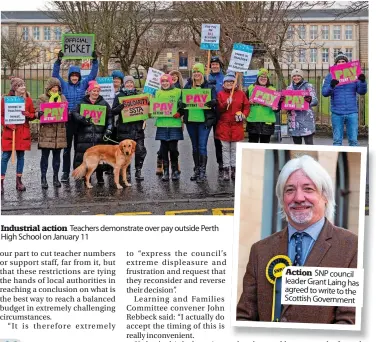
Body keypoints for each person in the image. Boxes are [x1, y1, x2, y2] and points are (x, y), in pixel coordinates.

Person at [237, 155, 357, 324]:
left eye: (308, 189)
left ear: (325, 196)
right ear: (282, 199)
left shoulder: (352, 247)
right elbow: (244, 317)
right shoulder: (259, 250)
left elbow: (349, 321)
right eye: (290, 190)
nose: (298, 198)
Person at [52, 49, 99, 182]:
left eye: (76, 75)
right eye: (72, 75)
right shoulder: (64, 86)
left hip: (80, 120)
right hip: (67, 120)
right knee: (66, 149)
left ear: (79, 77)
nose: (74, 77)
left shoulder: (83, 85)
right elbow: (55, 75)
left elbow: (92, 75)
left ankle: (79, 171)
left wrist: (94, 60)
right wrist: (58, 61)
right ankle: (65, 173)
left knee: (80, 149)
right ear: (69, 77)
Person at [71, 81, 113, 185]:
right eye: (94, 90)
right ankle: (84, 176)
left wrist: (109, 129)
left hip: (99, 135)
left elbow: (110, 118)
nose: (95, 93)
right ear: (89, 91)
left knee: (100, 157)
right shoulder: (82, 103)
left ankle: (100, 176)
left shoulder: (104, 103)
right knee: (83, 156)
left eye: (97, 91)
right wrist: (83, 119)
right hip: (84, 135)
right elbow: (74, 113)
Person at [322, 52, 367, 146]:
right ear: (335, 63)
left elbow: (361, 91)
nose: (341, 63)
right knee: (337, 141)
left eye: (343, 61)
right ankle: (338, 160)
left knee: (353, 141)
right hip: (337, 113)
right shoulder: (330, 76)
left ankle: (354, 160)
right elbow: (325, 93)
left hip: (352, 112)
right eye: (339, 61)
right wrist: (331, 85)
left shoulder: (353, 74)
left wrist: (362, 82)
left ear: (346, 63)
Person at [1, 77, 36, 194]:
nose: (24, 87)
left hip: (22, 132)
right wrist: (8, 124)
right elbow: (1, 115)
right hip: (10, 132)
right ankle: (1, 182)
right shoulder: (6, 100)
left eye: (24, 85)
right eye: (21, 85)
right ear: (15, 88)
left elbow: (33, 115)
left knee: (21, 157)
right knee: (5, 157)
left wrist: (27, 114)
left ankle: (19, 181)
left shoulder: (28, 100)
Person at [183, 63, 216, 183]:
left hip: (204, 121)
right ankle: (197, 169)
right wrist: (181, 104)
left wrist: (213, 102)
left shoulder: (209, 87)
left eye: (199, 72)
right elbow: (182, 102)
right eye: (195, 72)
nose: (196, 74)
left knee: (202, 146)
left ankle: (203, 171)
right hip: (191, 120)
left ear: (202, 74)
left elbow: (215, 100)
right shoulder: (187, 87)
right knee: (195, 146)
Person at [111, 76, 147, 182]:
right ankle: (126, 172)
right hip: (124, 129)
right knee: (125, 153)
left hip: (137, 128)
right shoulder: (119, 96)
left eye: (131, 82)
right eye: (127, 83)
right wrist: (119, 108)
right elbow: (113, 111)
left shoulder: (139, 96)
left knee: (140, 151)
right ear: (124, 84)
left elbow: (146, 110)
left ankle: (138, 170)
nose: (129, 84)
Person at [216, 73, 250, 181]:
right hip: (224, 125)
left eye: (231, 82)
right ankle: (226, 169)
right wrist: (226, 103)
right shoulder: (220, 94)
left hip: (237, 125)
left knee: (235, 149)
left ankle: (234, 169)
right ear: (224, 83)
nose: (229, 83)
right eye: (227, 82)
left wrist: (244, 114)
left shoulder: (241, 94)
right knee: (225, 149)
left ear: (234, 83)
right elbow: (219, 109)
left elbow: (246, 106)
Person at [35, 78, 67, 189]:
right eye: (53, 86)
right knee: (45, 157)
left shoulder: (62, 98)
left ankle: (55, 177)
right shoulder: (42, 98)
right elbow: (36, 112)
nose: (55, 88)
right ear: (49, 88)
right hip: (46, 132)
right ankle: (43, 178)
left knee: (57, 157)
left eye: (57, 86)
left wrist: (66, 112)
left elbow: (66, 111)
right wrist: (39, 113)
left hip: (59, 132)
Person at [153, 74, 184, 181]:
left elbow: (183, 105)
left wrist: (180, 113)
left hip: (174, 124)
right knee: (164, 149)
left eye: (167, 81)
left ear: (171, 82)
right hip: (162, 124)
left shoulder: (178, 92)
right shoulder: (157, 93)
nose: (165, 83)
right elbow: (152, 106)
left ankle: (175, 171)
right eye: (163, 81)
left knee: (173, 149)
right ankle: (166, 171)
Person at [282, 69, 318, 145]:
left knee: (309, 145)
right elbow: (286, 105)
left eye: (298, 76)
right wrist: (283, 102)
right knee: (297, 146)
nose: (296, 77)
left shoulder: (308, 86)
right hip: (294, 121)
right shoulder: (289, 88)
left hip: (306, 120)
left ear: (302, 77)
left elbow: (315, 101)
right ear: (292, 77)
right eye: (294, 76)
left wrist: (305, 102)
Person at [246, 69, 278, 143]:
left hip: (267, 121)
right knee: (252, 145)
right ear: (257, 78)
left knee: (265, 146)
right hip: (253, 120)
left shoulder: (273, 90)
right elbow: (244, 103)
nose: (263, 78)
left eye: (265, 77)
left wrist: (275, 108)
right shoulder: (250, 88)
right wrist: (249, 102)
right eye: (261, 76)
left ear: (267, 79)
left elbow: (277, 108)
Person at [208, 56, 225, 178]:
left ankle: (222, 162)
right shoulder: (206, 77)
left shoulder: (225, 78)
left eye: (216, 64)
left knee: (220, 137)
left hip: (221, 111)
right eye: (212, 64)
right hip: (208, 111)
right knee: (206, 139)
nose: (214, 66)